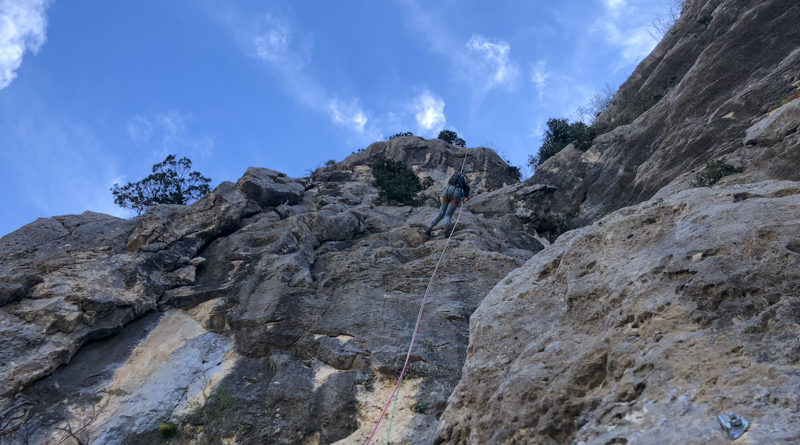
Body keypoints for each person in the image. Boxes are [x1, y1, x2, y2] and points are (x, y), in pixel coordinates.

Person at [425, 171, 470, 237]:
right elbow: (467, 188)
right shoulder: (463, 181)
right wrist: (465, 197)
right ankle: (446, 229)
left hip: (447, 190)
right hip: (457, 193)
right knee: (448, 215)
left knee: (441, 212)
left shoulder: (452, 178)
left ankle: (429, 228)